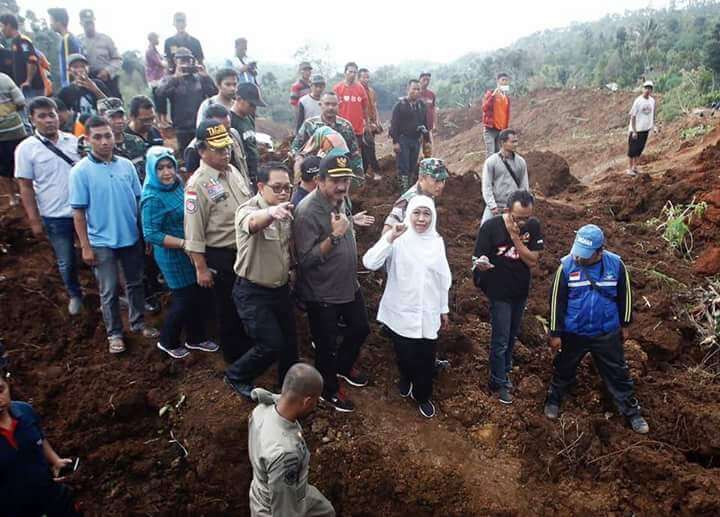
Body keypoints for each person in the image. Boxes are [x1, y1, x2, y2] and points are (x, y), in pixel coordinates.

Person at [545, 225, 649, 434]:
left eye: (585, 255)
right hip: (574, 331)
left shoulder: (616, 265)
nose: (579, 258)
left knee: (617, 372)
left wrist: (625, 324)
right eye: (577, 252)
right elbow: (556, 301)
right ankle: (554, 400)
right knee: (564, 368)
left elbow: (625, 296)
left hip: (606, 331)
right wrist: (556, 333)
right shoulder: (565, 267)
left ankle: (632, 413)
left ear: (600, 251)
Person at [69, 116, 159, 354]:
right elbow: (78, 213)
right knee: (108, 290)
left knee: (135, 283)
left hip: (130, 236)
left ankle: (138, 323)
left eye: (107, 135)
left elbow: (139, 203)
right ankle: (114, 333)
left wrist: (145, 234)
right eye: (97, 137)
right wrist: (85, 246)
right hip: (101, 242)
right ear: (87, 139)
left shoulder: (126, 166)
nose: (104, 141)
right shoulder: (80, 172)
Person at [293, 154, 371, 413]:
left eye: (346, 180)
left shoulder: (342, 199)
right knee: (325, 346)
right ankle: (328, 389)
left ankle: (344, 367)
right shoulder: (306, 212)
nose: (342, 186)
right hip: (322, 293)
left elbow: (345, 225)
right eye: (336, 180)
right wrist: (335, 237)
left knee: (360, 328)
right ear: (319, 180)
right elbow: (305, 260)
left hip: (348, 284)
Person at [363, 195, 451, 418]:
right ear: (409, 214)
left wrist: (444, 308)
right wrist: (390, 237)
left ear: (433, 217)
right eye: (416, 213)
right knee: (405, 354)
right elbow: (370, 262)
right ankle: (405, 377)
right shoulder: (399, 240)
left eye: (427, 214)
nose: (421, 219)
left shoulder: (437, 242)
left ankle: (423, 395)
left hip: (428, 312)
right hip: (402, 311)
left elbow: (443, 279)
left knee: (426, 358)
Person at [225, 162, 297, 397]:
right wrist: (270, 213)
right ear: (261, 186)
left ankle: (288, 386)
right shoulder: (248, 209)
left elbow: (286, 246)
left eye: (287, 187)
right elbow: (253, 223)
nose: (284, 192)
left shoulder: (285, 209)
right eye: (277, 188)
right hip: (253, 291)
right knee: (270, 344)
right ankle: (236, 375)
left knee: (290, 342)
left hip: (280, 288)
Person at [184, 121, 253, 364]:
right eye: (219, 149)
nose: (226, 152)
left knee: (246, 303)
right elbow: (194, 233)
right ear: (202, 150)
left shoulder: (233, 172)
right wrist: (201, 268)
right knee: (228, 309)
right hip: (221, 256)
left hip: (245, 251)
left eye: (228, 147)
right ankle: (235, 359)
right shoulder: (197, 184)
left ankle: (249, 348)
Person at [141, 146, 218, 359]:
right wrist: (184, 243)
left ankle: (196, 338)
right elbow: (151, 234)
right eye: (160, 168)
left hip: (190, 250)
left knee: (196, 295)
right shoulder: (152, 197)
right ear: (151, 171)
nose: (166, 172)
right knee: (184, 299)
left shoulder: (177, 185)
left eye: (169, 166)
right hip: (172, 256)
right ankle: (167, 340)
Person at [473, 190, 543, 404]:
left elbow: (533, 261)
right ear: (507, 210)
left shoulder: (533, 226)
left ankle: (505, 369)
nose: (522, 222)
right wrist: (482, 264)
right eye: (517, 217)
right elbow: (478, 256)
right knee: (501, 338)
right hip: (499, 290)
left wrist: (515, 238)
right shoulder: (490, 227)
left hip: (520, 289)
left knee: (512, 335)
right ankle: (498, 380)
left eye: (526, 217)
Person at [15, 97, 82, 315]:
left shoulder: (74, 142)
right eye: (42, 116)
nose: (49, 120)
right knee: (66, 260)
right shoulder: (26, 149)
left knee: (96, 255)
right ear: (32, 120)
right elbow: (25, 186)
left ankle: (107, 294)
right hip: (54, 215)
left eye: (52, 114)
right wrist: (34, 220)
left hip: (83, 211)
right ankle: (74, 294)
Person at [248, 363, 335, 517]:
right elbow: (284, 510)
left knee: (326, 511)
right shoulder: (285, 454)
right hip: (276, 506)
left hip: (266, 488)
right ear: (307, 402)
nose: (315, 405)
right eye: (315, 401)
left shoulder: (260, 410)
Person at [0, 369, 82, 517]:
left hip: (49, 493)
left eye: (0, 390)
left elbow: (39, 438)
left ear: (8, 384)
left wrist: (55, 460)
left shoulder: (25, 411)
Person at [155, 47, 217, 154]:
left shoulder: (200, 78)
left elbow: (214, 95)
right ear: (175, 61)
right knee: (187, 155)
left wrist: (207, 77)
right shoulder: (170, 79)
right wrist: (175, 78)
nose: (186, 63)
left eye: (188, 60)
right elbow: (159, 95)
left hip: (200, 123)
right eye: (182, 60)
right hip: (181, 127)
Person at [292, 92, 362, 179]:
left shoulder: (346, 126)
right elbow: (295, 147)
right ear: (320, 105)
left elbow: (354, 153)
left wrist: (358, 175)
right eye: (327, 104)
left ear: (339, 105)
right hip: (314, 172)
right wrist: (300, 161)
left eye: (334, 104)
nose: (331, 108)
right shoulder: (309, 125)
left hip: (339, 170)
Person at [185, 103, 250, 178]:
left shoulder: (234, 135)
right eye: (220, 129)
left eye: (228, 129)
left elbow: (243, 166)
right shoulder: (193, 149)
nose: (225, 134)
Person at [481, 129, 528, 224]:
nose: (516, 144)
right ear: (503, 142)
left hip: (513, 208)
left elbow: (524, 186)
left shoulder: (521, 162)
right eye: (513, 142)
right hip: (496, 207)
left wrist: (522, 204)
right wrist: (492, 206)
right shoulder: (491, 162)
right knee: (484, 229)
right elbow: (486, 186)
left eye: (516, 141)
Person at [389, 79, 427, 191]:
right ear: (408, 89)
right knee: (403, 167)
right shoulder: (400, 106)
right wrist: (395, 142)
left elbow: (424, 123)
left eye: (418, 89)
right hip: (403, 139)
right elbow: (394, 125)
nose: (416, 91)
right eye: (414, 89)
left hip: (416, 140)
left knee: (412, 167)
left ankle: (410, 189)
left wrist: (427, 139)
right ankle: (403, 191)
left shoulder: (421, 106)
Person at [97, 97, 147, 180]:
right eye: (113, 117)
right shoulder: (99, 147)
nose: (119, 121)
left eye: (121, 116)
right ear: (101, 118)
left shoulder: (137, 142)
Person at [333, 62, 368, 179]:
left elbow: (365, 108)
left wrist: (366, 125)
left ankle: (356, 179)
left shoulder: (360, 89)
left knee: (356, 155)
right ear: (345, 73)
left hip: (357, 130)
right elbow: (332, 109)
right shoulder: (338, 89)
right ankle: (341, 178)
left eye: (354, 72)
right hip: (340, 130)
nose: (352, 74)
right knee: (340, 156)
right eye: (350, 71)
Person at [78, 9, 123, 99]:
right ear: (81, 24)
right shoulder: (79, 41)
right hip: (89, 79)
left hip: (107, 80)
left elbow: (117, 59)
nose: (89, 26)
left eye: (91, 23)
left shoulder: (105, 39)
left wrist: (107, 71)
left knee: (114, 104)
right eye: (86, 24)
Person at [0, 14, 44, 99]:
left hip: (32, 88)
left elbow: (32, 60)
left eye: (1, 26)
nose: (1, 30)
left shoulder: (22, 40)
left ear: (8, 25)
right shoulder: (14, 42)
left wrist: (28, 80)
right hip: (23, 88)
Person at [57, 53, 109, 125]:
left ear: (88, 68)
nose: (80, 69)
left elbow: (111, 107)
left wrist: (95, 89)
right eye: (75, 67)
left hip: (100, 126)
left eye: (83, 66)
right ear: (69, 71)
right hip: (77, 128)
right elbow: (60, 114)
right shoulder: (65, 91)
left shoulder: (98, 84)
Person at [230, 82, 265, 184]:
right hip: (240, 174)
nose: (254, 108)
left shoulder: (249, 117)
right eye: (251, 105)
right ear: (239, 99)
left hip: (253, 172)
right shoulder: (230, 121)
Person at [0, 71, 26, 206]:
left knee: (3, 167)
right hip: (14, 129)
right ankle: (25, 194)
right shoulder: (4, 78)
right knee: (21, 164)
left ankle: (12, 198)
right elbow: (21, 102)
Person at [47, 8, 84, 89]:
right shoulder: (73, 38)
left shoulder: (67, 40)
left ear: (59, 22)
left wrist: (70, 89)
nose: (51, 24)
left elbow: (71, 67)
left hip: (72, 87)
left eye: (51, 21)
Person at [627, 80, 656, 177]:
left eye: (649, 88)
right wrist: (634, 131)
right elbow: (633, 116)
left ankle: (635, 167)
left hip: (645, 130)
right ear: (643, 89)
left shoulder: (652, 101)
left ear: (651, 90)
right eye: (646, 88)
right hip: (636, 130)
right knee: (632, 150)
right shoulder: (638, 101)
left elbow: (652, 114)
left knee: (639, 149)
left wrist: (653, 126)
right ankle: (630, 168)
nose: (647, 90)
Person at [358, 68, 382, 180]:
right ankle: (376, 171)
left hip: (372, 123)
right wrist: (365, 124)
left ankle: (365, 172)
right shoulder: (357, 91)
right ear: (359, 78)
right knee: (368, 148)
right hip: (362, 125)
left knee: (367, 148)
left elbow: (375, 106)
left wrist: (377, 121)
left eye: (367, 77)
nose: (366, 79)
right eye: (364, 77)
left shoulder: (371, 91)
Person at [482, 72, 512, 157]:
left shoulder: (506, 98)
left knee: (498, 154)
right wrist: (493, 95)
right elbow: (485, 107)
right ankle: (488, 170)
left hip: (500, 130)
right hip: (490, 130)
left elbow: (506, 115)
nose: (505, 82)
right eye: (503, 80)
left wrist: (505, 129)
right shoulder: (491, 94)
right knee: (490, 154)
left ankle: (497, 170)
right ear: (497, 82)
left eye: (506, 80)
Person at [418, 72, 437, 158]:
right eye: (424, 80)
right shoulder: (416, 94)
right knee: (416, 150)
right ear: (420, 80)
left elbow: (433, 109)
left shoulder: (431, 95)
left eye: (428, 80)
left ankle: (427, 167)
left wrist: (434, 123)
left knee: (428, 149)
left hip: (428, 127)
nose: (426, 82)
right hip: (417, 127)